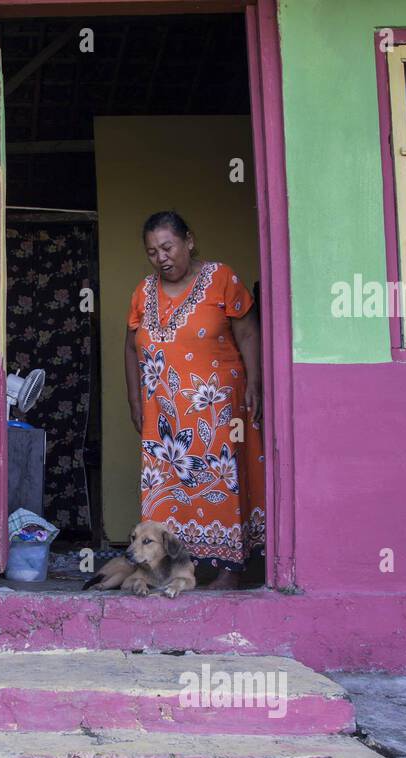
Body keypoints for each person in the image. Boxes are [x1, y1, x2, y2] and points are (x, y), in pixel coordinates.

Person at [124, 211, 264, 589]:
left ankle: (228, 571)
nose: (161, 257)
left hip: (216, 405)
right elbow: (130, 344)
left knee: (220, 481)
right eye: (152, 251)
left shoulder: (221, 279)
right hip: (163, 413)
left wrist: (255, 382)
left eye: (168, 247)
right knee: (163, 490)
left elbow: (249, 333)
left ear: (189, 241)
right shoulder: (143, 292)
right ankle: (176, 569)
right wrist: (135, 399)